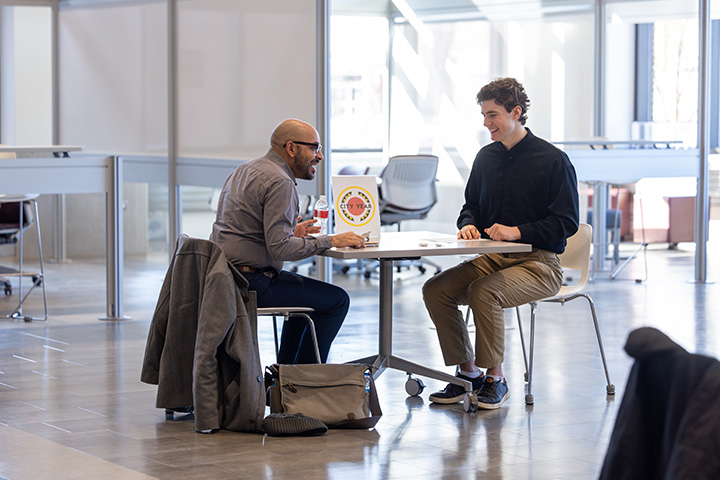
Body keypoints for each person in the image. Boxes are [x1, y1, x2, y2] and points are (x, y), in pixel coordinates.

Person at [422, 77, 579, 409]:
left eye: (492, 114)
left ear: (516, 112)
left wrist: (516, 231)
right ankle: (468, 375)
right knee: (435, 289)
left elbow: (566, 223)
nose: (486, 122)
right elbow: (471, 208)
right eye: (483, 115)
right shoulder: (485, 158)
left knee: (484, 291)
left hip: (541, 263)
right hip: (493, 258)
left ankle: (496, 378)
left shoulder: (553, 160)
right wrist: (467, 225)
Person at [211, 118, 365, 364]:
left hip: (225, 277)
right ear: (291, 148)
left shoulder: (245, 169)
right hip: (251, 282)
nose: (320, 156)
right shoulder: (280, 181)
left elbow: (246, 229)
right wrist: (331, 240)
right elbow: (280, 248)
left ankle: (285, 381)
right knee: (337, 300)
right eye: (314, 148)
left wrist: (291, 232)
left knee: (305, 302)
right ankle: (304, 382)